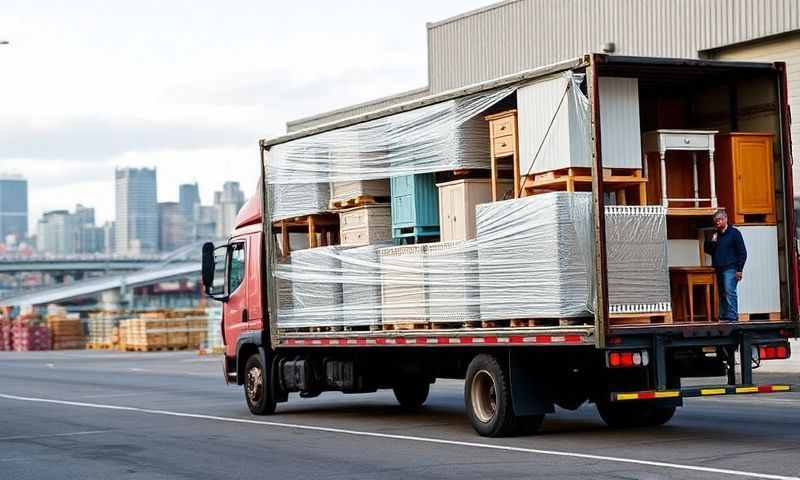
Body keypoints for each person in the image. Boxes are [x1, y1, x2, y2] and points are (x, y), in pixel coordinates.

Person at [703, 209, 747, 322]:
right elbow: (707, 250)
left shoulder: (734, 233)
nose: (717, 223)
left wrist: (739, 269)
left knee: (729, 291)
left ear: (725, 219)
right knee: (722, 292)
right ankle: (724, 315)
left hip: (731, 268)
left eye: (719, 220)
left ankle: (732, 315)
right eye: (716, 221)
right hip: (718, 267)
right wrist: (712, 241)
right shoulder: (715, 234)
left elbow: (742, 252)